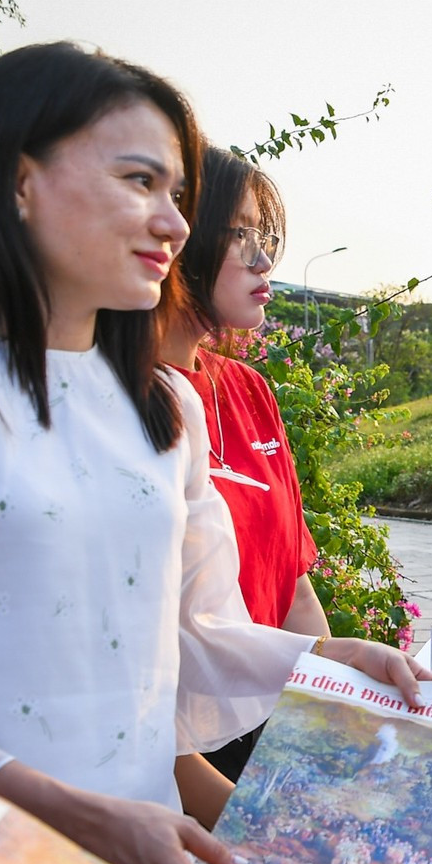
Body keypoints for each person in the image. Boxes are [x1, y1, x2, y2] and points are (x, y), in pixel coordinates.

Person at [0, 42, 429, 864]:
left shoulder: (164, 404)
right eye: (140, 181)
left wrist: (331, 659)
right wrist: (75, 815)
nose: (173, 223)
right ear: (19, 181)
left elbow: (189, 630)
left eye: (179, 194)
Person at [156, 146, 326, 787]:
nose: (263, 259)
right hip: (176, 741)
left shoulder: (249, 391)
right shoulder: (119, 400)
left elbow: (294, 583)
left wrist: (331, 708)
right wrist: (222, 807)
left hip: (269, 709)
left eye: (268, 237)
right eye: (239, 235)